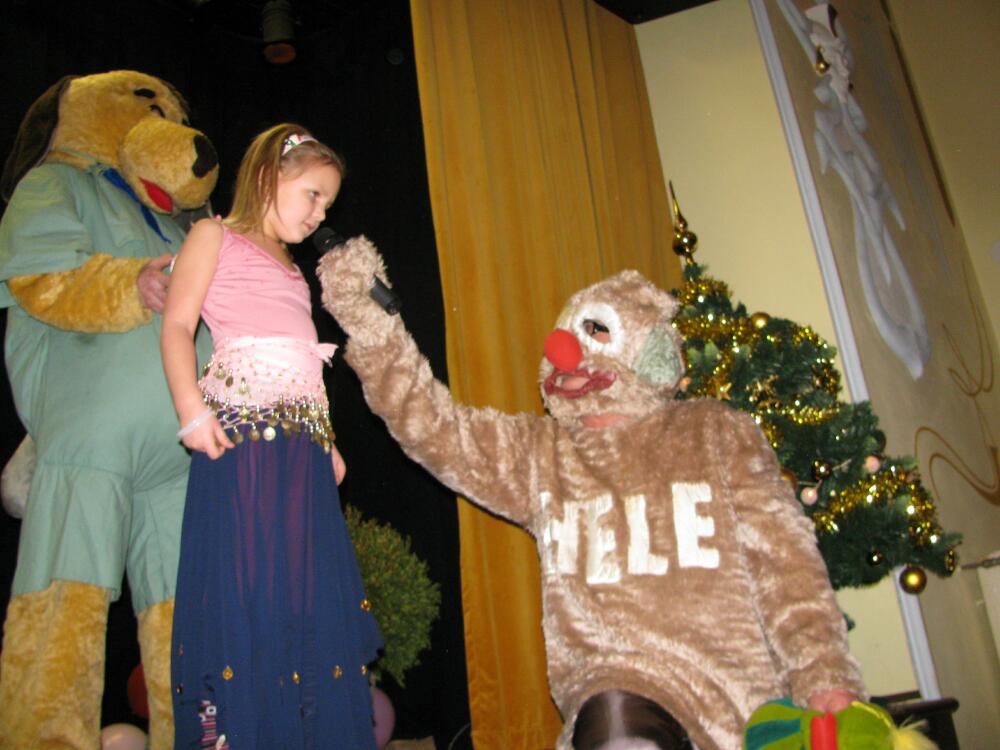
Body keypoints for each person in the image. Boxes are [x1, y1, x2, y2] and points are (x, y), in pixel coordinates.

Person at [317, 249, 865, 750]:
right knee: (616, 721)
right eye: (563, 334)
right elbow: (435, 427)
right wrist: (373, 326)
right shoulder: (541, 453)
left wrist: (825, 676)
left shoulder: (715, 432)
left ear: (651, 354)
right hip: (615, 694)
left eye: (595, 331)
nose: (563, 351)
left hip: (736, 704)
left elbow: (786, 562)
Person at [161, 123, 381, 749]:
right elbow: (177, 325)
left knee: (298, 594)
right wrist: (191, 410)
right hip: (244, 444)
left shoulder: (292, 271)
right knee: (246, 587)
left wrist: (326, 441)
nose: (320, 214)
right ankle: (233, 730)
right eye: (313, 194)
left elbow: (300, 363)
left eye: (327, 203)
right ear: (267, 176)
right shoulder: (213, 235)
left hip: (298, 451)